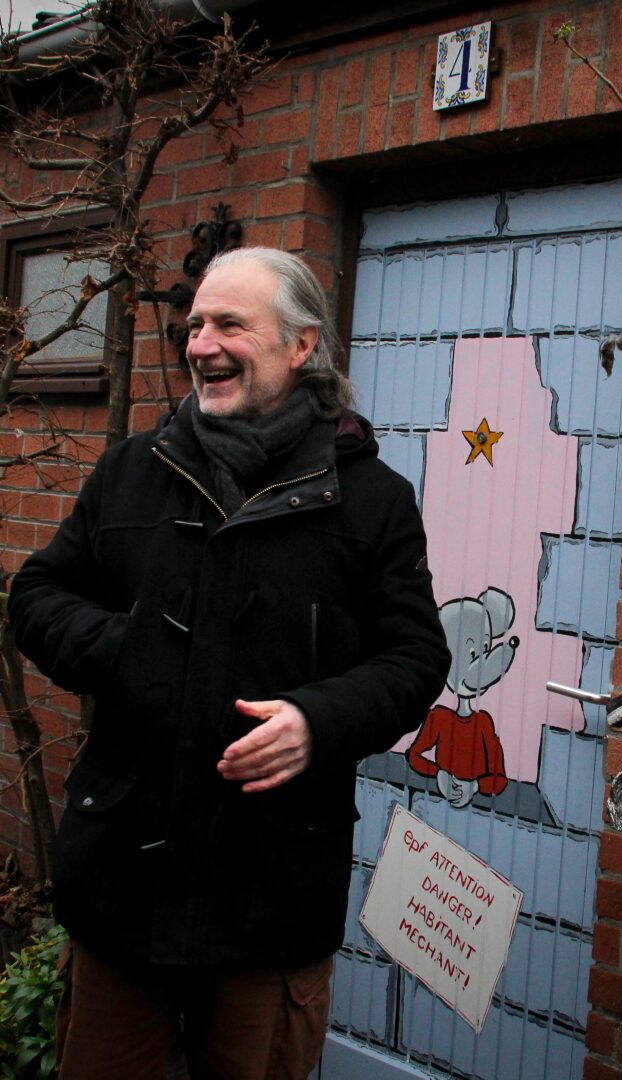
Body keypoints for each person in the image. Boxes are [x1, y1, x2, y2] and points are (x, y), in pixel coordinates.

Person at [8, 246, 450, 1079]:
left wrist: (318, 723)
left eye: (229, 324)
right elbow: (37, 594)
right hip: (120, 894)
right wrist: (123, 649)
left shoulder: (372, 500)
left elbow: (417, 656)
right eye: (195, 325)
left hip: (270, 900)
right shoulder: (131, 472)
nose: (201, 344)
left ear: (301, 346)